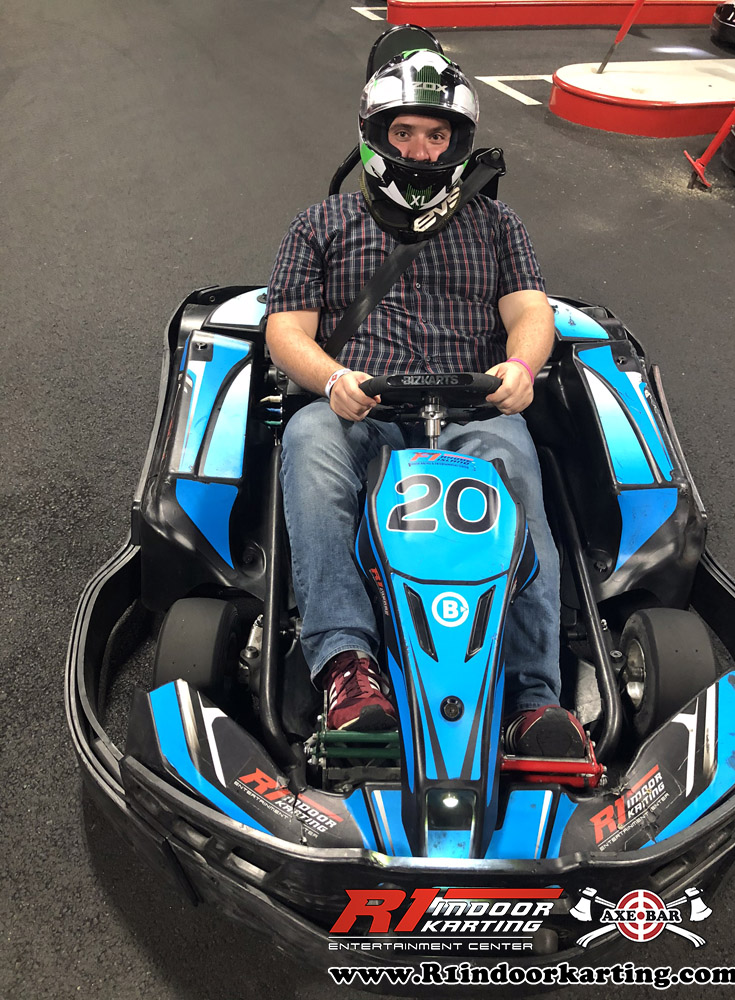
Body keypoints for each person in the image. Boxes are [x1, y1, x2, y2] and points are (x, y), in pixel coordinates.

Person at [264, 48, 586, 758]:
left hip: (471, 409)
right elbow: (286, 330)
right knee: (310, 442)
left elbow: (531, 312)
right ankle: (348, 669)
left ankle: (533, 699)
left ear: (457, 143)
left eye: (437, 136)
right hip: (358, 407)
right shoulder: (319, 224)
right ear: (374, 136)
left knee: (516, 466)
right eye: (404, 132)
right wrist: (331, 380)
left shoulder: (497, 226)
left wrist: (520, 367)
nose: (420, 151)